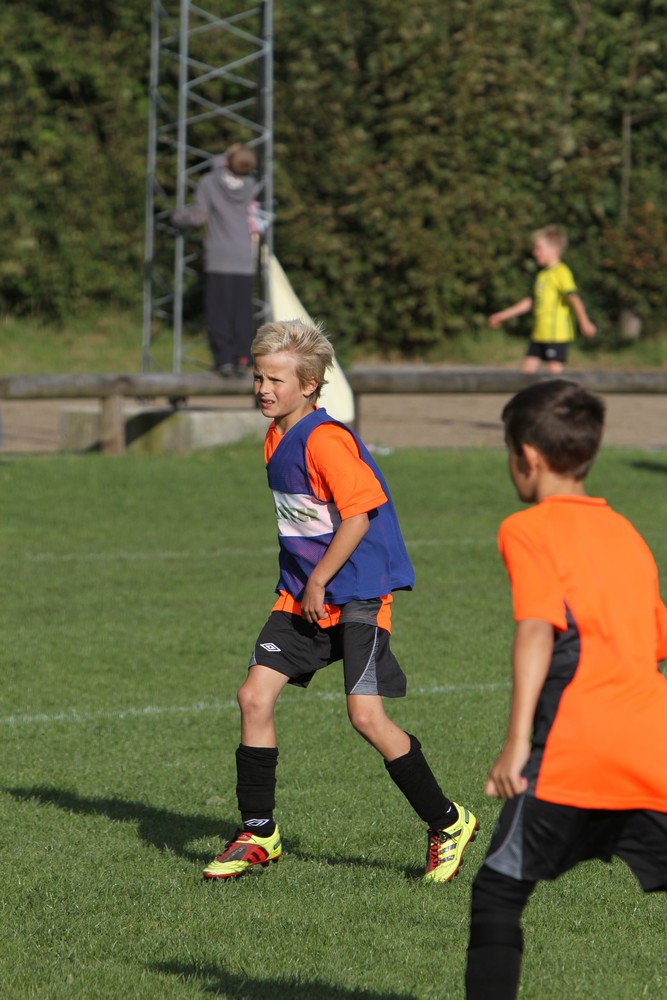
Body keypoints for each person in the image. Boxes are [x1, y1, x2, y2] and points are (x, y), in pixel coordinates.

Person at [203, 318, 478, 882]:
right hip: (303, 593)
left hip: (356, 596)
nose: (263, 389)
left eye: (275, 380)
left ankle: (448, 822)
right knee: (254, 696)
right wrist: (306, 583)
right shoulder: (275, 435)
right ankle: (259, 833)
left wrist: (319, 580)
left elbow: (359, 516)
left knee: (366, 717)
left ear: (309, 385)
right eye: (258, 378)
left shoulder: (326, 440)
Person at [465, 379, 667, 999]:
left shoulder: (528, 528)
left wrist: (516, 744)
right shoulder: (627, 533)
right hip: (653, 748)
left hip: (577, 748)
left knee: (498, 891)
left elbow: (536, 629)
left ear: (527, 456)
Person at [172, 143, 258, 376]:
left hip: (220, 255)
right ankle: (243, 357)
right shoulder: (250, 184)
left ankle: (224, 360)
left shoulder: (210, 182)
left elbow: (199, 217)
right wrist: (234, 155)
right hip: (244, 254)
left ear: (227, 160)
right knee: (242, 311)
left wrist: (178, 217)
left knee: (219, 310)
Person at [488, 225, 596, 373]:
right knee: (526, 374)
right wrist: (503, 315)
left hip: (556, 335)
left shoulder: (561, 272)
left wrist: (584, 321)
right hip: (539, 334)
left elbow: (573, 297)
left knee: (554, 375)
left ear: (554, 249)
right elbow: (531, 302)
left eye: (539, 248)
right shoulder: (542, 275)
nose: (535, 252)